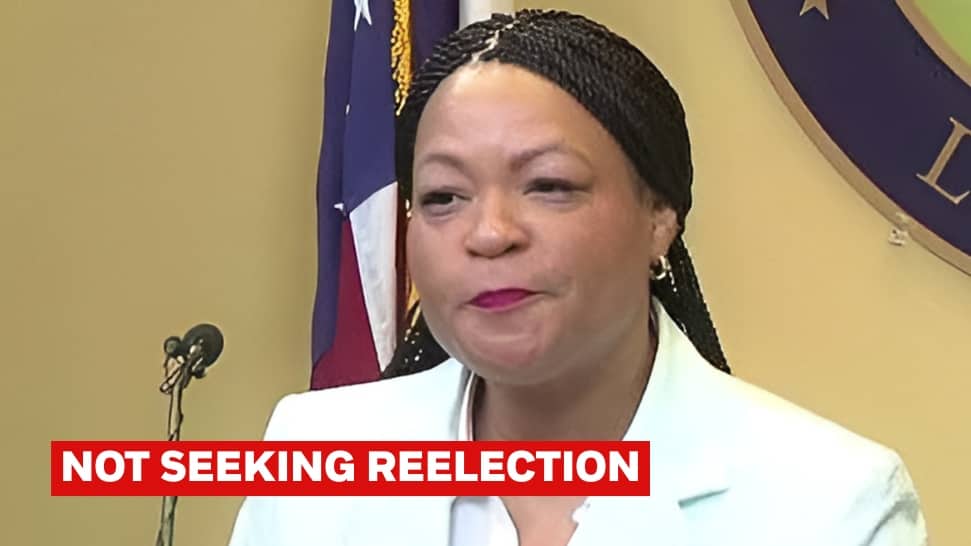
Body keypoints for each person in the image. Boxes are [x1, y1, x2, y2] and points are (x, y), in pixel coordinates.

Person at [228, 9, 927, 546]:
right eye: (442, 197)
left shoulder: (830, 501)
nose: (489, 233)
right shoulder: (316, 452)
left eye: (549, 185)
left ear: (659, 216)